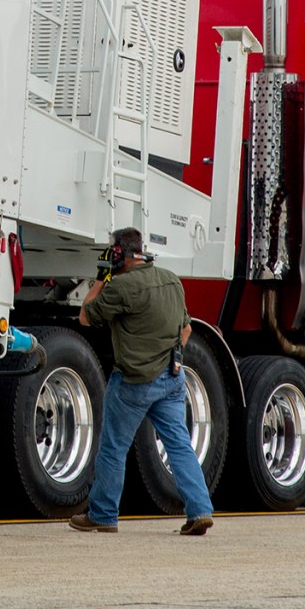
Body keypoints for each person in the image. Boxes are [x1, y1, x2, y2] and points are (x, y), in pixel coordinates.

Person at [70, 227, 215, 535]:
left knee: (113, 448)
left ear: (119, 254)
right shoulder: (171, 280)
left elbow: (85, 316)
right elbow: (186, 331)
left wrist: (101, 276)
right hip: (172, 379)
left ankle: (103, 515)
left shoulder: (121, 286)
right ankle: (200, 510)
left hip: (133, 383)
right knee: (179, 446)